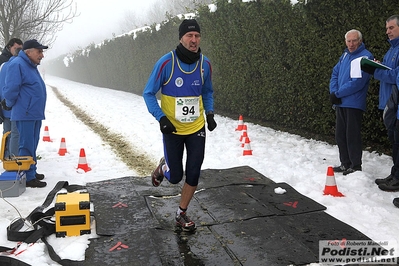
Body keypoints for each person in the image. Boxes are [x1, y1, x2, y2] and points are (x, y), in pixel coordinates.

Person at [143, 19, 217, 232]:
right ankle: (162, 166)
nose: (194, 40)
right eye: (189, 36)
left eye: (197, 36)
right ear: (181, 38)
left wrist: (209, 113)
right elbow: (148, 93)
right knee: (175, 177)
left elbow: (207, 91)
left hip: (196, 129)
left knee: (193, 173)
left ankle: (181, 214)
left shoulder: (205, 64)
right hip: (172, 130)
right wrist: (161, 118)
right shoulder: (166, 63)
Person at [2, 39, 48, 188]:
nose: (42, 55)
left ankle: (31, 172)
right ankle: (27, 177)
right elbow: (10, 89)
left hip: (33, 113)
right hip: (25, 113)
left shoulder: (30, 65)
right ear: (28, 52)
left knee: (32, 144)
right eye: (39, 51)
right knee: (25, 145)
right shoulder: (17, 64)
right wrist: (8, 105)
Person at [330, 29, 373, 175]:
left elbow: (358, 82)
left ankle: (355, 166)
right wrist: (333, 92)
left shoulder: (366, 57)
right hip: (341, 102)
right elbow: (335, 73)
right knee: (340, 135)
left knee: (352, 135)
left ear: (360, 41)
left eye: (354, 40)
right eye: (349, 41)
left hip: (354, 103)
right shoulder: (345, 55)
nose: (351, 44)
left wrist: (338, 93)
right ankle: (345, 163)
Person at [370, 15, 399, 187]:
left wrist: (375, 71)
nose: (388, 31)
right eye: (387, 28)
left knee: (397, 143)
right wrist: (378, 66)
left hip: (395, 104)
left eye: (391, 28)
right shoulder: (391, 50)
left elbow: (395, 76)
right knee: (394, 143)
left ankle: (397, 178)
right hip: (389, 103)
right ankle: (394, 174)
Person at [0, 44, 23, 159]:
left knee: (6, 132)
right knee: (15, 134)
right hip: (13, 106)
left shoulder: (3, 66)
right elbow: (13, 87)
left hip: (4, 106)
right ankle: (13, 159)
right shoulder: (17, 66)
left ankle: (5, 156)